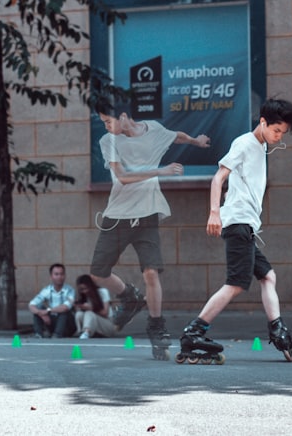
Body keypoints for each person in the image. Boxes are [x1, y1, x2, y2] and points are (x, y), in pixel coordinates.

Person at [175, 98, 292, 364]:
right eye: (276, 131)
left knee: (268, 277)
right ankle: (194, 331)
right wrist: (214, 212)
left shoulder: (260, 147)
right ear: (262, 122)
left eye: (282, 133)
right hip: (236, 224)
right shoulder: (245, 143)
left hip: (246, 226)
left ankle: (277, 328)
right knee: (236, 284)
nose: (278, 137)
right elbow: (218, 177)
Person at [90, 103, 210, 358]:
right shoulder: (108, 140)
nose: (106, 127)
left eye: (108, 121)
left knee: (151, 273)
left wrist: (196, 141)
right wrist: (161, 171)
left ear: (123, 115)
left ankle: (157, 327)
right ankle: (129, 297)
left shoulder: (153, 129)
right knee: (98, 274)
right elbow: (122, 176)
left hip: (147, 215)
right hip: (118, 216)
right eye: (103, 122)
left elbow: (175, 136)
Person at [28, 263, 76, 338]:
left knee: (63, 311)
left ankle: (57, 335)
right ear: (51, 276)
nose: (59, 277)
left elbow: (65, 307)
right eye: (56, 274)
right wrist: (41, 313)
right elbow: (31, 305)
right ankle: (38, 334)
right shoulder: (47, 290)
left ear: (65, 276)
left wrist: (48, 311)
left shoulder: (70, 290)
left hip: (68, 325)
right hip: (52, 322)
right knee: (39, 307)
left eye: (62, 274)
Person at [73, 274, 115, 339]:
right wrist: (79, 307)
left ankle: (86, 333)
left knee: (89, 313)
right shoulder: (83, 296)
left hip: (107, 324)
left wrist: (91, 308)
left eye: (85, 288)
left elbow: (105, 313)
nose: (84, 291)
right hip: (94, 324)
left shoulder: (102, 292)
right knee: (79, 314)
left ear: (91, 286)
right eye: (81, 289)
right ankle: (81, 332)